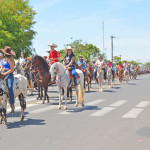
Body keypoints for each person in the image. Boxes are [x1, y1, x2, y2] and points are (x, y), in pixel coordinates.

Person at [0, 46, 16, 113]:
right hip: (2, 74)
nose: (4, 54)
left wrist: (5, 73)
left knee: (9, 87)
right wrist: (1, 71)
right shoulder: (3, 60)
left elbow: (12, 69)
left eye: (4, 53)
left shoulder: (10, 60)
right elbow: (1, 67)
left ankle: (12, 103)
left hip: (9, 75)